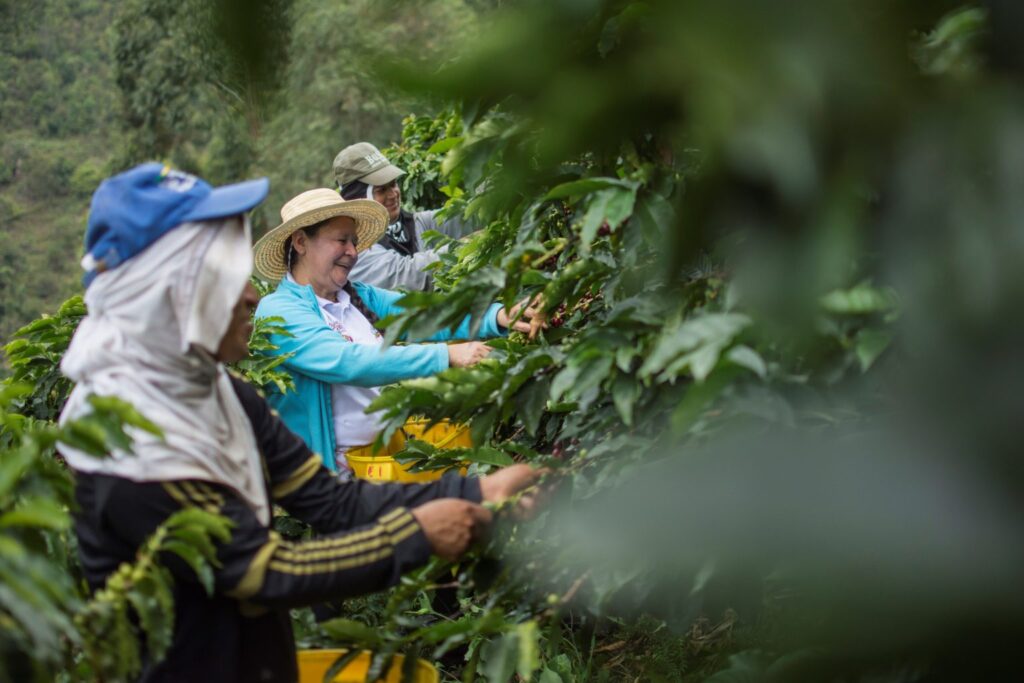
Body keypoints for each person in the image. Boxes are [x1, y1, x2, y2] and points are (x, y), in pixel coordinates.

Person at [58, 163, 542, 682]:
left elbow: (332, 501)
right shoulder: (128, 437)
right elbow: (260, 571)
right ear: (165, 295)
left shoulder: (224, 396)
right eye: (223, 280)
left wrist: (478, 491)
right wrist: (416, 532)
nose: (250, 296)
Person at [252, 188, 538, 477]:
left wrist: (497, 315)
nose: (352, 252)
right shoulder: (280, 311)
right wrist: (446, 355)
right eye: (341, 240)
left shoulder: (357, 296)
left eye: (354, 242)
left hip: (378, 463)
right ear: (301, 242)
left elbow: (425, 314)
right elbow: (348, 362)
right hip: (327, 479)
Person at [333, 141, 471, 290]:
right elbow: (408, 275)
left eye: (393, 184)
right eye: (381, 190)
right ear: (359, 199)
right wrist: (467, 245)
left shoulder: (411, 224)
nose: (393, 194)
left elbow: (464, 218)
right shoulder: (353, 250)